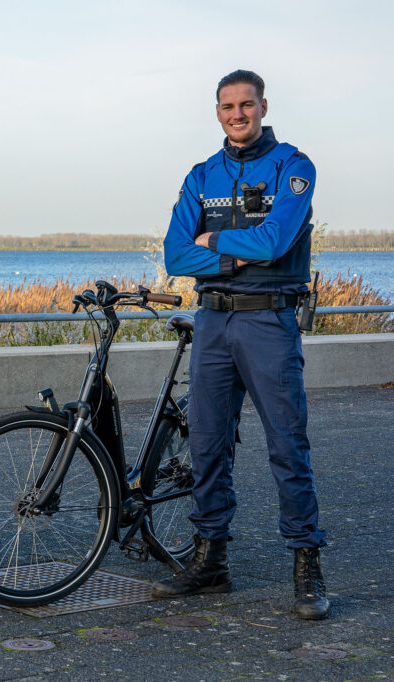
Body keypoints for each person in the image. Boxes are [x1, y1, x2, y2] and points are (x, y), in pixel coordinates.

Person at [157, 70, 329, 619]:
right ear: (217, 111)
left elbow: (277, 240)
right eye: (228, 106)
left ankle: (306, 562)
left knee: (286, 445)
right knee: (206, 444)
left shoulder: (293, 166)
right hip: (212, 323)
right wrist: (235, 255)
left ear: (262, 106)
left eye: (247, 105)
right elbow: (177, 257)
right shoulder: (201, 174)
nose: (238, 114)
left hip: (267, 323)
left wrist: (213, 240)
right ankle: (211, 559)